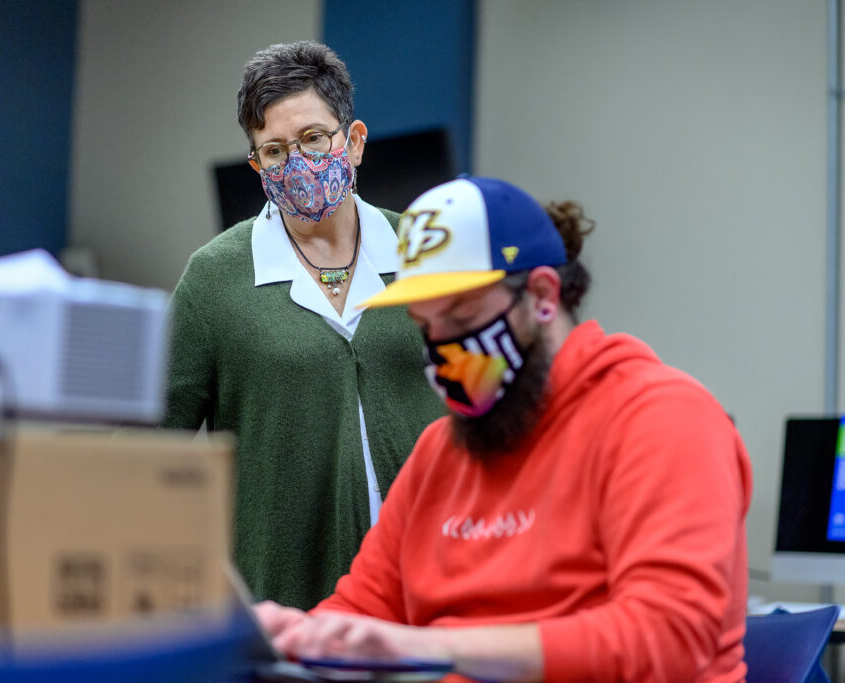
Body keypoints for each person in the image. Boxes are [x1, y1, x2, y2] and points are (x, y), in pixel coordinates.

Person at [255, 176, 753, 681]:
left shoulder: (663, 420)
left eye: (460, 316)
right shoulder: (440, 452)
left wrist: (433, 647)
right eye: (425, 327)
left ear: (541, 296)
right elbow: (364, 612)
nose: (441, 349)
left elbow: (665, 640)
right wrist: (295, 637)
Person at [162, 41, 444, 610]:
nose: (298, 163)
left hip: (431, 586)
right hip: (284, 600)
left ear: (354, 141)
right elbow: (144, 445)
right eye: (274, 151)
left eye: (314, 139)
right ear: (256, 165)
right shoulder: (217, 277)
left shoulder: (424, 251)